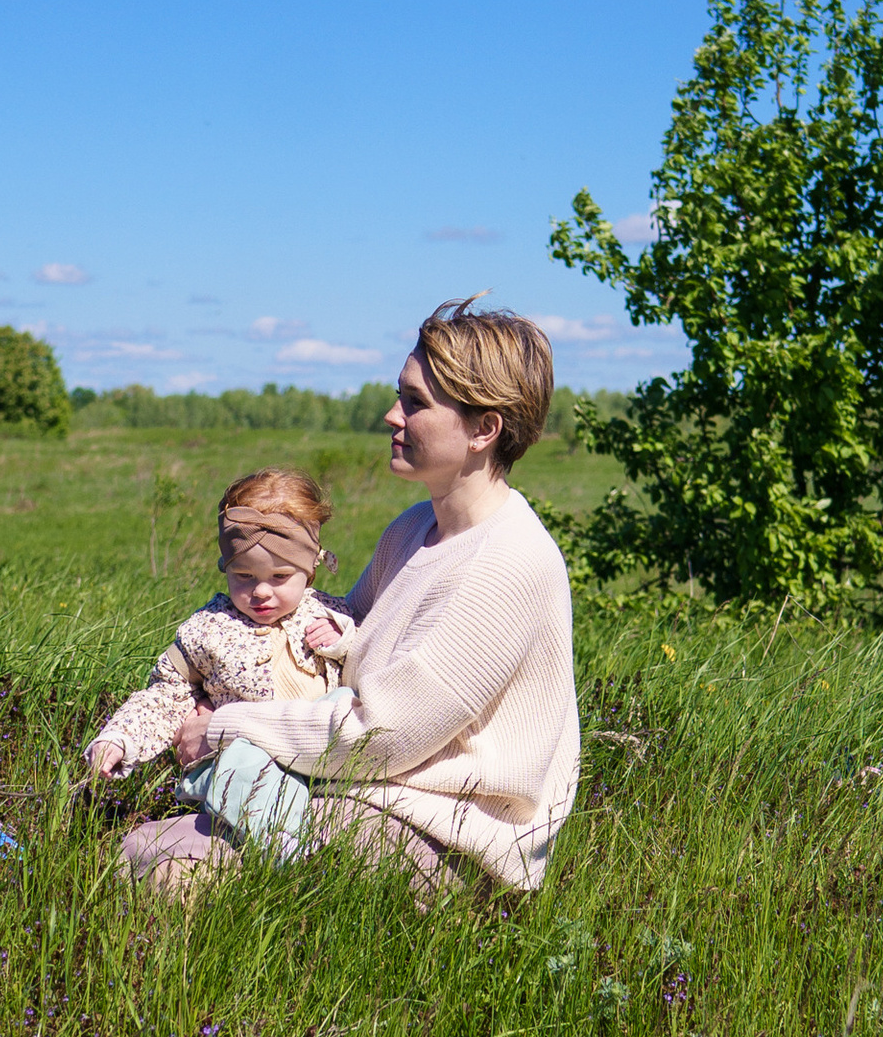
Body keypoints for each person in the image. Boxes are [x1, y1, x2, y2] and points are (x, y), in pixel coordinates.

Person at [120, 301, 579, 902]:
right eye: (400, 396)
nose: (393, 415)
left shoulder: (507, 564)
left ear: (483, 430)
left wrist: (226, 728)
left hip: (446, 836)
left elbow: (380, 734)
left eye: (415, 403)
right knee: (136, 851)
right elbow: (334, 644)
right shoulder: (414, 529)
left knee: (170, 877)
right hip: (362, 794)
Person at [86, 469, 351, 852]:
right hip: (234, 760)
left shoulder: (330, 614)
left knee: (339, 708)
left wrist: (343, 641)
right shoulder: (208, 629)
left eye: (280, 576)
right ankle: (291, 858)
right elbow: (164, 696)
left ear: (310, 570)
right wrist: (121, 737)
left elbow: (367, 666)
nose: (260, 591)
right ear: (225, 568)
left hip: (311, 754)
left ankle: (320, 836)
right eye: (243, 575)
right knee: (245, 768)